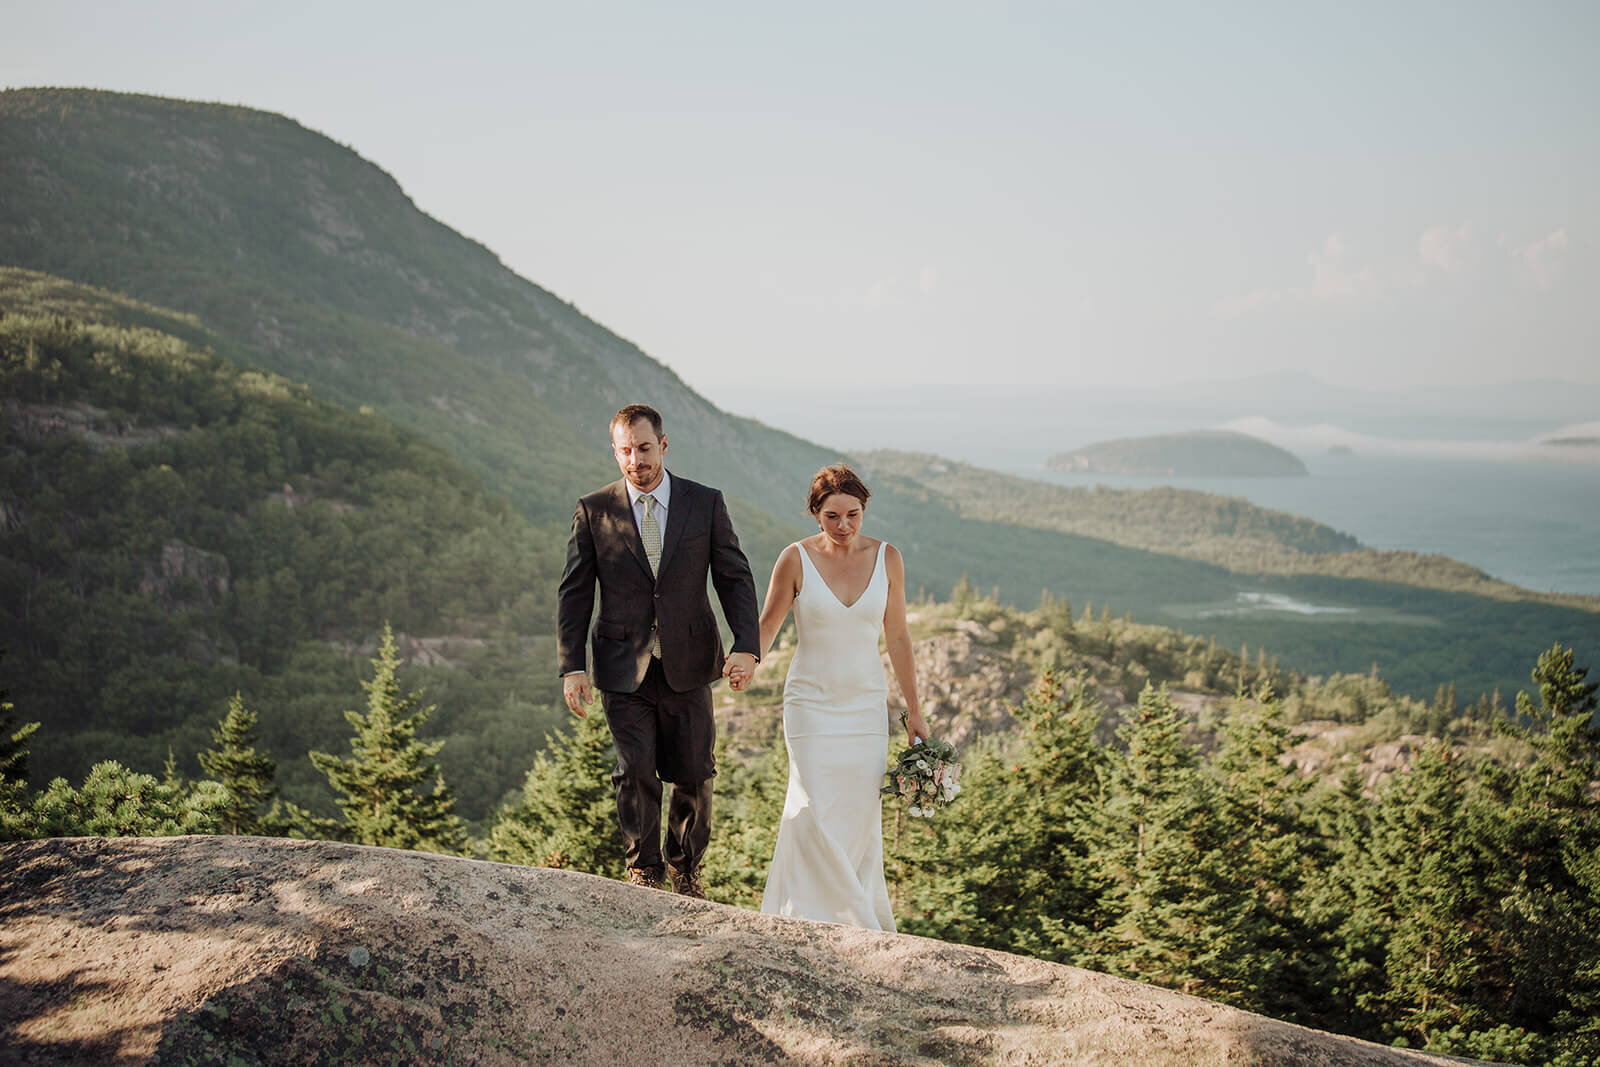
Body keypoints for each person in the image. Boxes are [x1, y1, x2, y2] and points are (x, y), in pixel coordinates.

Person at [557, 404, 760, 897]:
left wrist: (747, 646)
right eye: (625, 451)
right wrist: (572, 666)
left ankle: (684, 869)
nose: (635, 460)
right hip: (621, 668)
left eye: (644, 449)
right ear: (615, 450)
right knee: (635, 772)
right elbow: (576, 591)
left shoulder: (704, 503)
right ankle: (643, 870)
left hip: (689, 664)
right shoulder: (594, 509)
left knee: (693, 773)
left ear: (663, 446)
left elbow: (733, 576)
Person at [731, 463, 928, 930]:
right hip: (810, 705)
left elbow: (898, 637)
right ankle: (814, 918)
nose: (843, 526)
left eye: (853, 515)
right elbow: (769, 625)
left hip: (865, 707)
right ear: (815, 513)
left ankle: (852, 919)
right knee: (813, 804)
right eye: (832, 516)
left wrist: (915, 712)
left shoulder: (888, 558)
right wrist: (746, 661)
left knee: (859, 812)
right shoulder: (794, 559)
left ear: (865, 510)